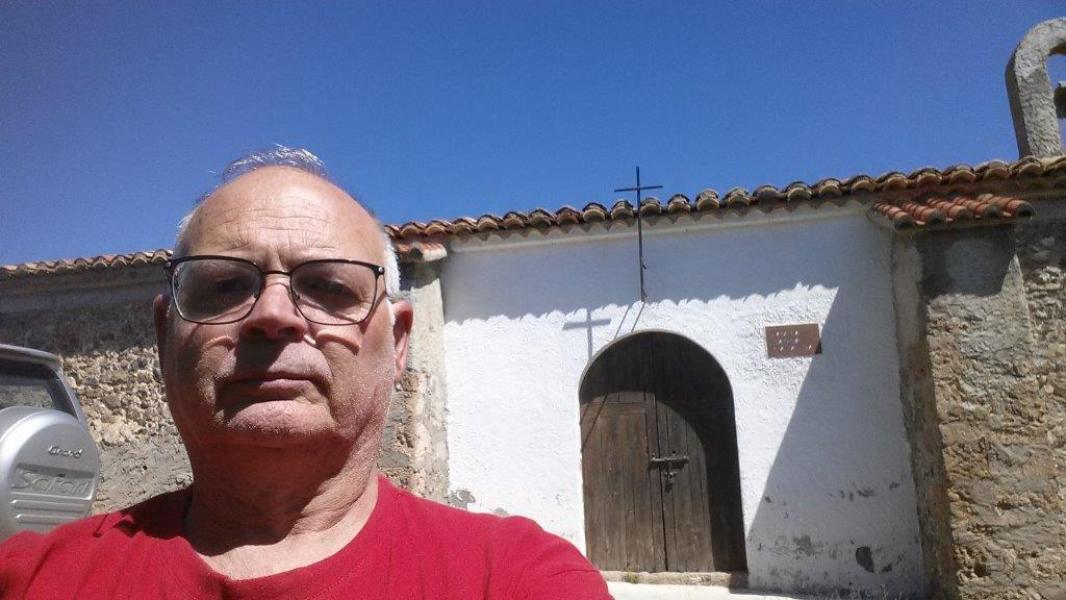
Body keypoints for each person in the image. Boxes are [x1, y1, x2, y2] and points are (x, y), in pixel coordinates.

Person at [0, 147, 611, 599]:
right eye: (224, 285)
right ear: (165, 336)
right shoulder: (30, 580)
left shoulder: (518, 579)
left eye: (328, 287)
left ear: (399, 342)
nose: (272, 314)